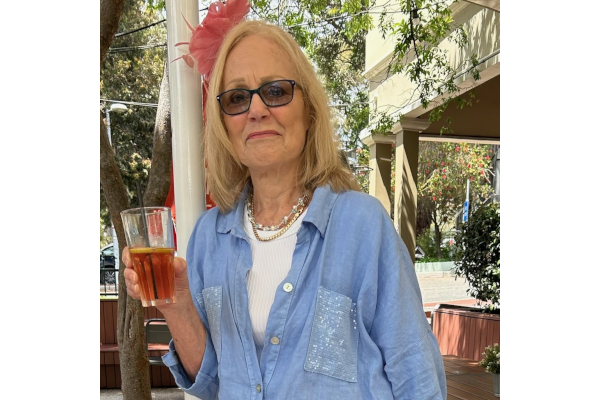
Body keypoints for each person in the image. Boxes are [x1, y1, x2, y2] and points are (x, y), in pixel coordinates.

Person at [123, 1, 447, 398]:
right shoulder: (209, 237)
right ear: (223, 124)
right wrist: (176, 304)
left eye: (275, 91)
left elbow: (415, 371)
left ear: (308, 111)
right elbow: (210, 382)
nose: (257, 110)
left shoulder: (362, 225)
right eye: (237, 98)